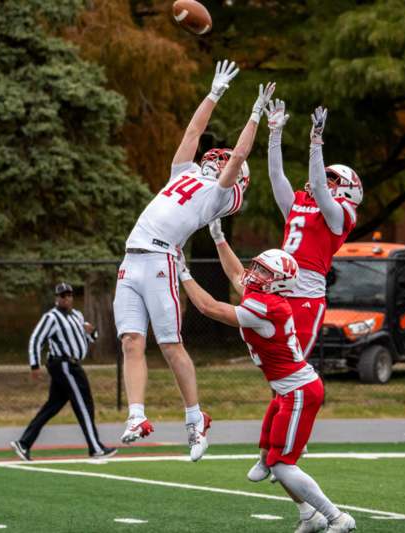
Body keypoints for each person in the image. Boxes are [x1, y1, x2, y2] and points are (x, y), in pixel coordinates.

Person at [113, 58, 275, 462]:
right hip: (132, 258)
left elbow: (238, 158)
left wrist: (254, 116)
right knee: (131, 340)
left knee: (170, 345)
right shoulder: (183, 173)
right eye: (215, 157)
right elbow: (193, 131)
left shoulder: (220, 194)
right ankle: (137, 416)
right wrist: (213, 93)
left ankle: (193, 416)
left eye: (222, 160)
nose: (216, 158)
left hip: (161, 260)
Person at [217, 101, 362, 489]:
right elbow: (276, 175)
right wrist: (275, 132)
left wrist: (316, 142)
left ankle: (277, 449)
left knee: (289, 371)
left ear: (346, 190)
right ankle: (276, 445)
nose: (324, 183)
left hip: (307, 299)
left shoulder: (341, 216)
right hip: (279, 291)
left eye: (333, 180)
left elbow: (316, 185)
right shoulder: (303, 204)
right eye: (327, 178)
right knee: (273, 369)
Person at [176, 250, 356, 533]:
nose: (255, 274)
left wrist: (183, 273)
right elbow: (236, 274)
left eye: (264, 272)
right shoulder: (261, 296)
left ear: (279, 283)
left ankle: (337, 518)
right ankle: (308, 513)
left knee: (283, 464)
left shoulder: (268, 307)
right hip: (286, 390)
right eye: (257, 267)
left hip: (299, 390)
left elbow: (209, 308)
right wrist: (218, 237)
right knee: (269, 453)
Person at [10, 282, 116, 461]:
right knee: (84, 403)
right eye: (63, 296)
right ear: (57, 298)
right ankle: (95, 447)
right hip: (64, 364)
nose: (66, 298)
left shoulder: (77, 315)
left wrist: (93, 332)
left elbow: (88, 337)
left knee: (53, 405)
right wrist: (34, 364)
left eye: (69, 295)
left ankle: (24, 443)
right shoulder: (51, 317)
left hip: (73, 364)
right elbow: (36, 339)